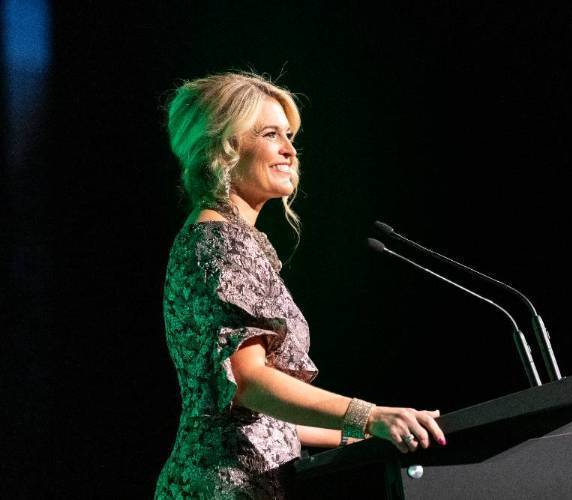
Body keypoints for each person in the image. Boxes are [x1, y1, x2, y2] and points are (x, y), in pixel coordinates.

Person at [154, 72, 446, 499]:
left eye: (289, 136)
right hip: (227, 485)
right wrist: (370, 415)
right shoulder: (218, 242)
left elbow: (268, 419)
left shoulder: (230, 239)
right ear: (223, 148)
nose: (290, 150)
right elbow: (249, 381)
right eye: (271, 134)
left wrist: (378, 431)